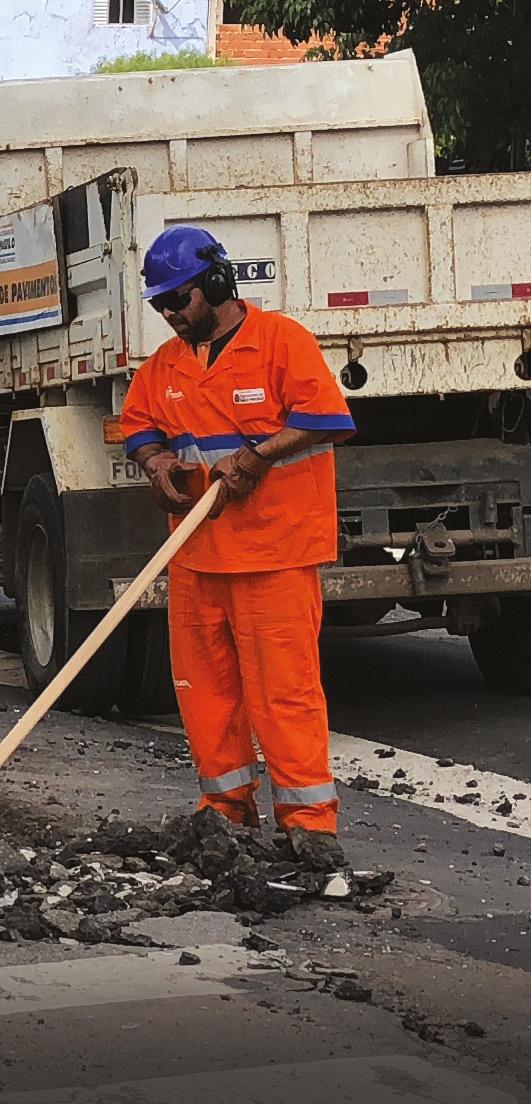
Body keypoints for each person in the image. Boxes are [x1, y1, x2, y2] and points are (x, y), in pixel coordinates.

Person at [120, 225, 356, 871]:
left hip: (274, 555)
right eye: (161, 306)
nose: (170, 315)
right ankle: (224, 815)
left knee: (284, 694)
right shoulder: (166, 367)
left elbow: (327, 418)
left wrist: (256, 457)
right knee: (205, 692)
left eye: (180, 300)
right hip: (197, 556)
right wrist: (155, 461)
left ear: (218, 284)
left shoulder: (280, 342)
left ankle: (309, 826)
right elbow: (137, 424)